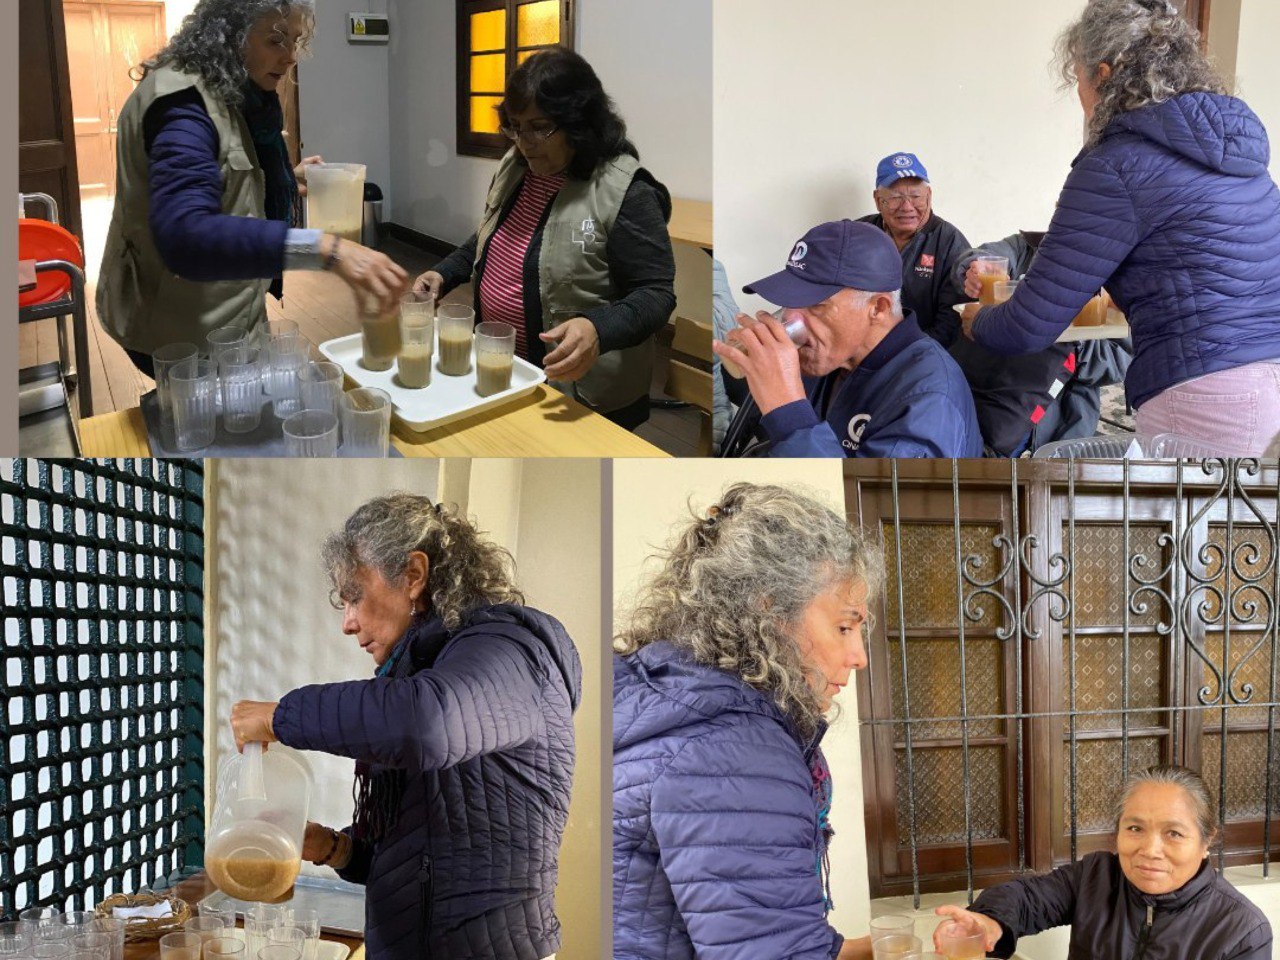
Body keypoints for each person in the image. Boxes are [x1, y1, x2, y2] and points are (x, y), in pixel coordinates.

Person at [229, 494, 581, 960]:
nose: (348, 623)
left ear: (414, 576)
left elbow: (425, 725)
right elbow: (416, 860)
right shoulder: (432, 672)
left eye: (355, 596)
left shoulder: (510, 651)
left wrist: (279, 717)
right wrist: (332, 847)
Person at [961, 0, 1280, 456]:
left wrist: (978, 320)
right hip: (1273, 380)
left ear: (1105, 75)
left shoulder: (1116, 164)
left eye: (1078, 79)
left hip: (1209, 396)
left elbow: (1030, 324)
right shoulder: (1239, 155)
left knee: (1193, 528)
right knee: (1252, 528)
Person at [613, 483, 881, 960]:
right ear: (770, 612)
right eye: (845, 626)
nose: (858, 656)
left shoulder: (665, 693)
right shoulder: (733, 752)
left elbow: (768, 935)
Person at [97, 0, 408, 374]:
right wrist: (325, 248)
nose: (291, 56)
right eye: (275, 41)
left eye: (295, 41)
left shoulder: (226, 92)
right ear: (229, 34)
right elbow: (185, 234)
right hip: (178, 327)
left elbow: (222, 173)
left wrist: (285, 179)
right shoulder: (183, 106)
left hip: (225, 312)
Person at [415, 47, 676, 431]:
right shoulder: (516, 167)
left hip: (580, 396)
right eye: (515, 127)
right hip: (505, 371)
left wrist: (597, 329)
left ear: (579, 123)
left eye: (540, 127)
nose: (525, 142)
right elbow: (494, 237)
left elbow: (656, 293)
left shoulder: (625, 190)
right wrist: (445, 273)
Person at [934, 766, 1272, 960]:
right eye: (1135, 828)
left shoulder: (1242, 931)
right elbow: (1026, 897)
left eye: (1173, 834)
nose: (1151, 850)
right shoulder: (1096, 877)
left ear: (1206, 841)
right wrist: (989, 921)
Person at [714, 220, 983, 458]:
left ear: (878, 308)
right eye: (790, 302)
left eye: (817, 305)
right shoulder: (831, 356)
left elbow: (866, 508)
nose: (791, 320)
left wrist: (789, 412)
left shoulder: (928, 398)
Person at [951, 231, 1132, 455]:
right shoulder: (1028, 247)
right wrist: (976, 268)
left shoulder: (1119, 274)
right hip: (989, 378)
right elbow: (986, 255)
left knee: (993, 445)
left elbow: (1123, 358)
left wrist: (1068, 340)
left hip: (1052, 407)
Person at [858, 152, 971, 346]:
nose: (907, 206)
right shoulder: (859, 235)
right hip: (863, 349)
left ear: (929, 196)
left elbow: (951, 321)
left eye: (916, 196)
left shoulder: (950, 241)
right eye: (895, 197)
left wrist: (907, 353)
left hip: (925, 353)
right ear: (878, 200)